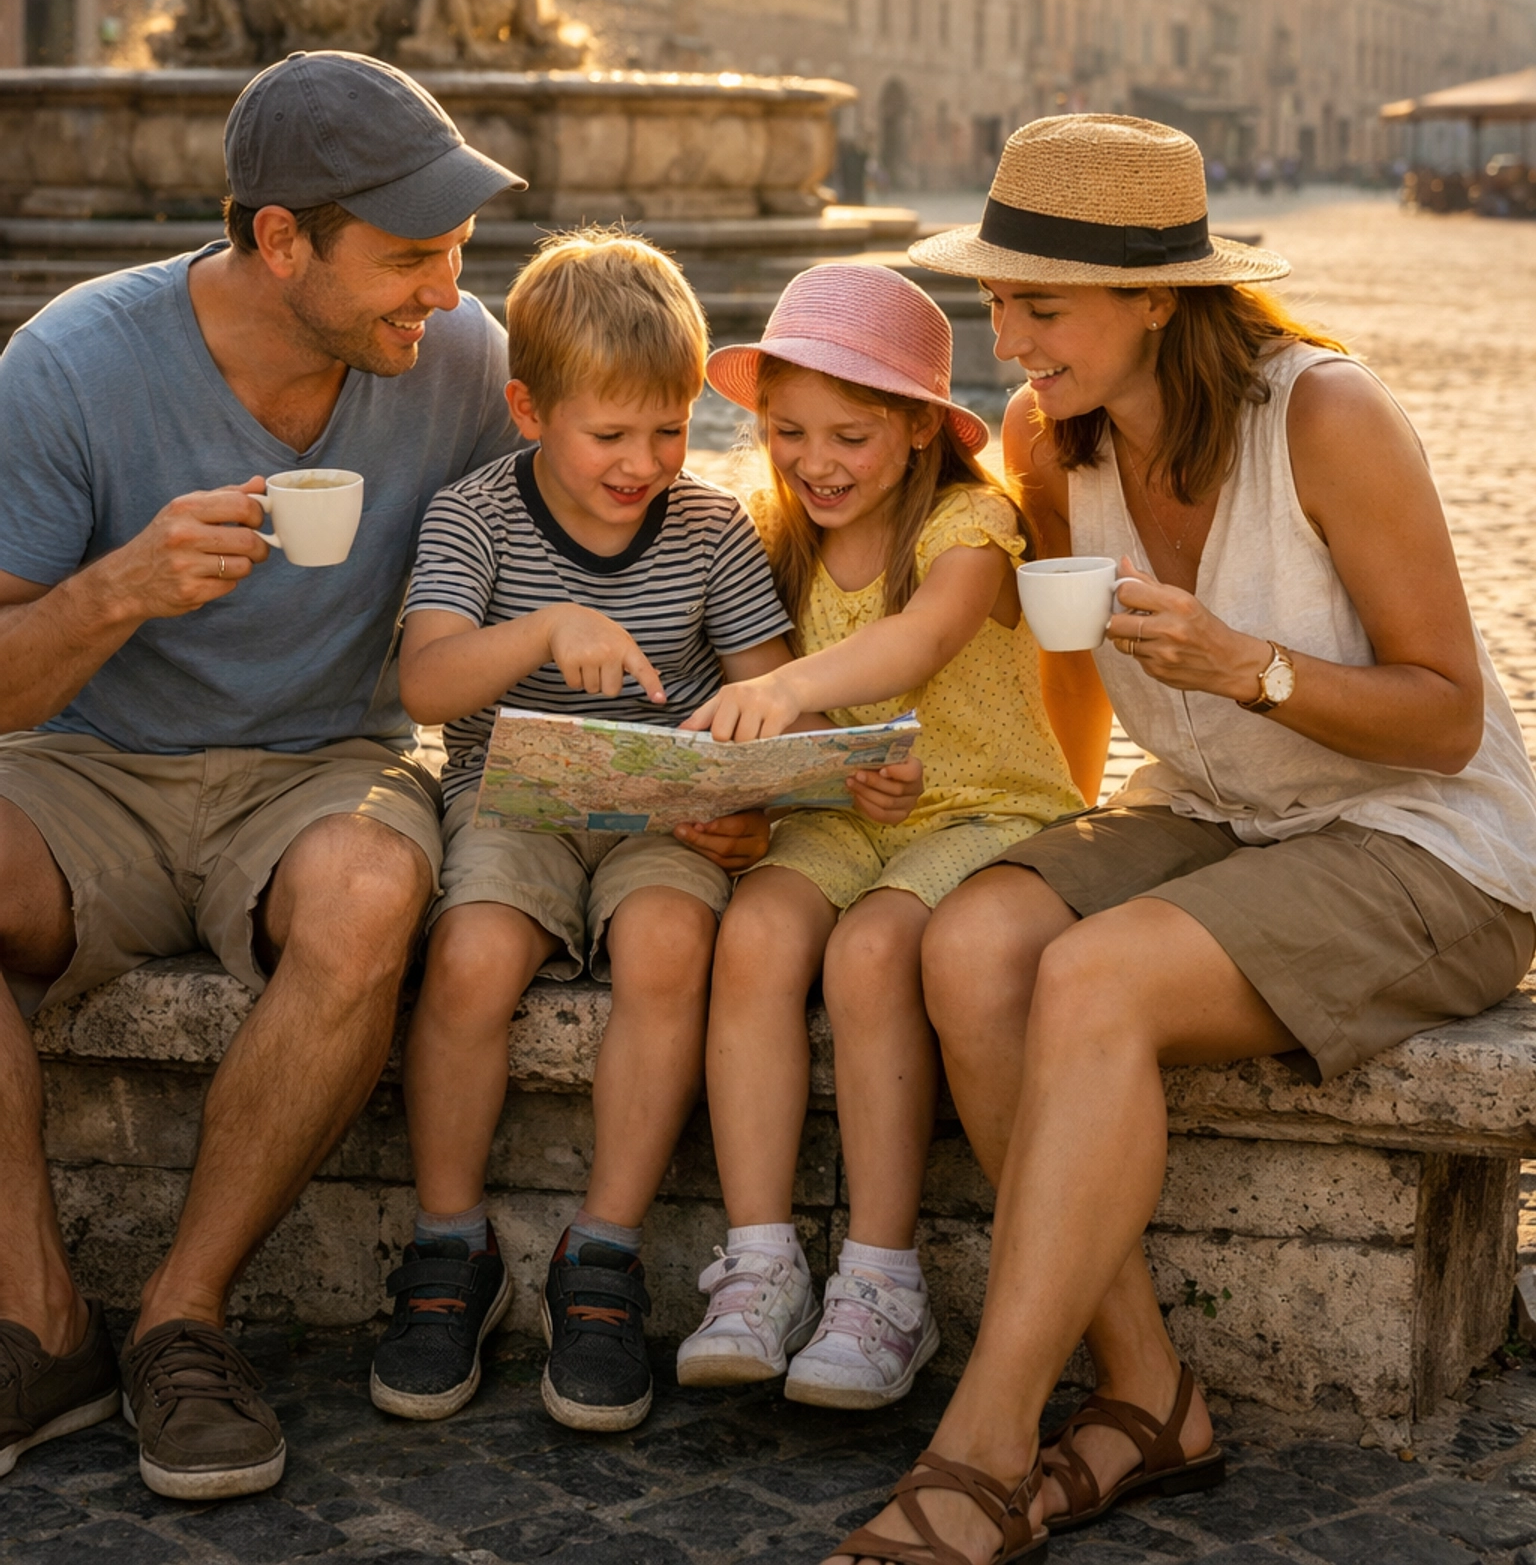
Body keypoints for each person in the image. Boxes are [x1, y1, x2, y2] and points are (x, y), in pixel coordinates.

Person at [821, 112, 1536, 1565]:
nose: (1006, 336)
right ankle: (1151, 1393)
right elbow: (1073, 670)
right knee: (975, 947)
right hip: (1215, 812)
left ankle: (983, 1447)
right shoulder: (1043, 438)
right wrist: (1048, 838)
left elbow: (1449, 717)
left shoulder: (1328, 419)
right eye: (997, 297)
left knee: (1094, 983)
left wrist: (1249, 665)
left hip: (1427, 840)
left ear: (1159, 298)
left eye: (1042, 303)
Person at [0, 51, 522, 1501]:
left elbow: (580, 528)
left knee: (369, 895)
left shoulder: (462, 359)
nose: (444, 287)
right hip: (80, 769)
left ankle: (182, 1317)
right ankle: (41, 1323)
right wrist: (116, 591)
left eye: (457, 249)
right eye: (409, 256)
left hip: (321, 768)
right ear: (280, 238)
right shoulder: (69, 364)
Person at [369, 232, 917, 1434]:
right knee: (468, 963)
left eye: (666, 432)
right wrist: (542, 631)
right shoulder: (475, 519)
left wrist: (781, 787)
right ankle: (451, 1245)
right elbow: (425, 686)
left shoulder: (710, 531)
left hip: (662, 817)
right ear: (529, 409)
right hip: (511, 804)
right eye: (608, 437)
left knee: (672, 950)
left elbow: (776, 691)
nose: (641, 464)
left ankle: (603, 1253)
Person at [673, 265, 1086, 1408]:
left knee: (867, 957)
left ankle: (883, 1282)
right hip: (855, 814)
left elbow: (915, 645)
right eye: (787, 431)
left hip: (989, 810)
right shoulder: (778, 532)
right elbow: (768, 702)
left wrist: (791, 694)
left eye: (850, 434)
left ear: (916, 431)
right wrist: (738, 780)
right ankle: (760, 1265)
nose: (815, 461)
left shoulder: (970, 523)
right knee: (753, 937)